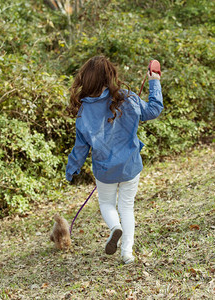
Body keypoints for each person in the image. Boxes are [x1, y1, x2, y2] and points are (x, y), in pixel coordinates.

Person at [65, 55, 163, 264]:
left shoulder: (83, 111)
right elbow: (154, 110)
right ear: (111, 76)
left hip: (104, 170)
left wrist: (71, 170)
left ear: (87, 80)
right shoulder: (128, 98)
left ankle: (114, 228)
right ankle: (127, 253)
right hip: (130, 166)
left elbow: (80, 148)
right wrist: (154, 81)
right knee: (126, 207)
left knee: (106, 204)